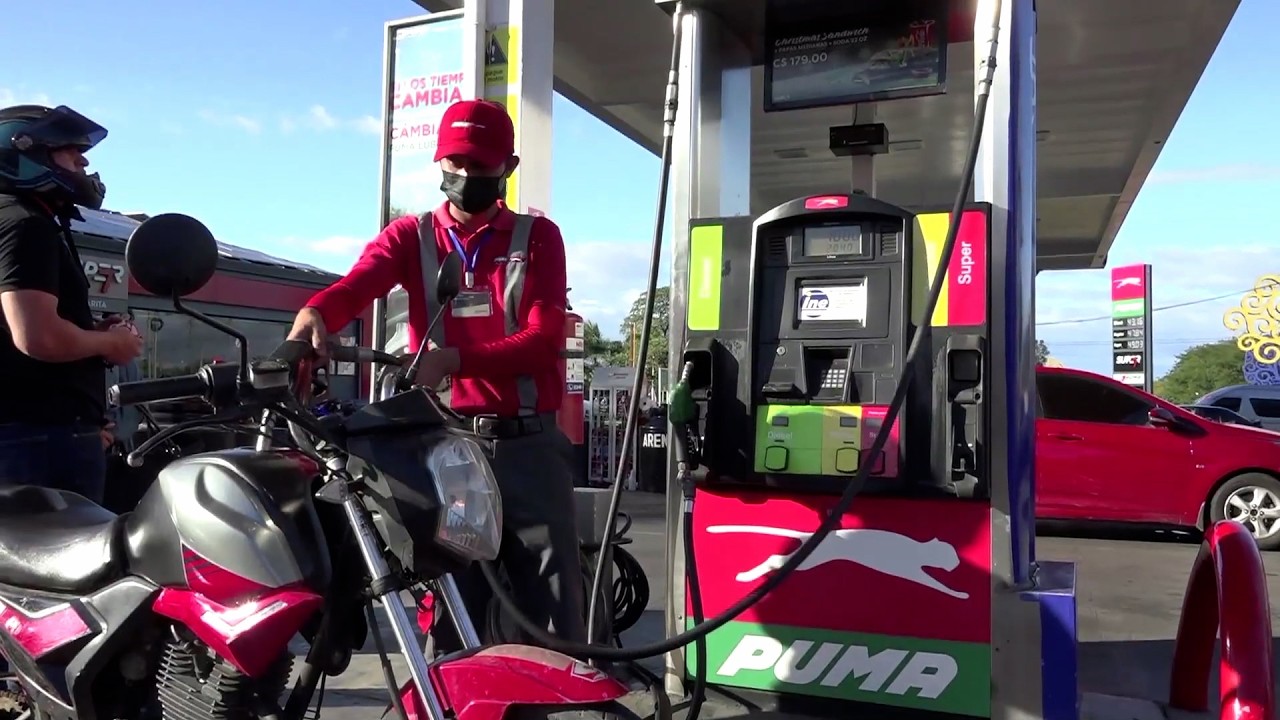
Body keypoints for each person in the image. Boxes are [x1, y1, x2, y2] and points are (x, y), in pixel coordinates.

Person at [288, 99, 583, 648]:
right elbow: (357, 284)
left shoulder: (538, 238)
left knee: (553, 610)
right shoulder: (412, 236)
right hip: (449, 449)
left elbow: (544, 340)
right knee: (453, 611)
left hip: (528, 448)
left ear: (509, 167)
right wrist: (316, 314)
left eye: (480, 164)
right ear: (440, 162)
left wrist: (455, 360)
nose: (466, 175)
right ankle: (451, 688)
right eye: (456, 162)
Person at [0, 104, 143, 503]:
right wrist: (112, 343)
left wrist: (90, 335)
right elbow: (37, 337)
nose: (83, 162)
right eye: (70, 150)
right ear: (24, 152)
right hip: (36, 441)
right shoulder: (25, 224)